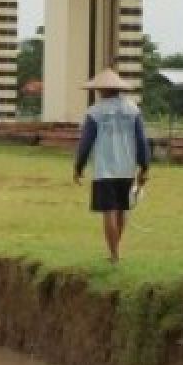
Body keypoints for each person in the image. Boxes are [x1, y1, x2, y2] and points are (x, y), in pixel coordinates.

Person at [73, 69, 150, 265]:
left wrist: (79, 165)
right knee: (122, 210)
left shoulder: (95, 112)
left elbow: (86, 142)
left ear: (102, 90)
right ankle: (116, 251)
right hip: (127, 168)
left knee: (109, 211)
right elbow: (141, 140)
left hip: (104, 169)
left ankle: (114, 255)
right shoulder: (133, 110)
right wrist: (144, 166)